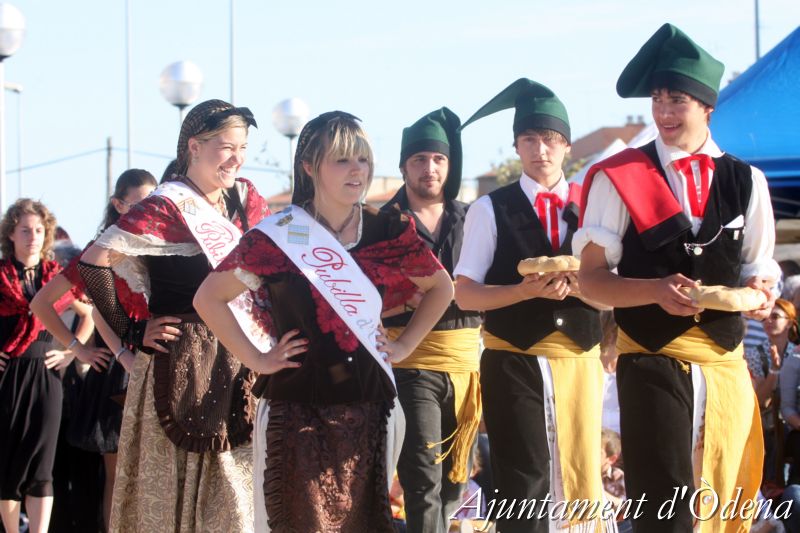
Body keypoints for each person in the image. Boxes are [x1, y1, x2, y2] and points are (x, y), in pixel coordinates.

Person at [194, 111, 454, 532]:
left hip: (370, 405)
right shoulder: (279, 234)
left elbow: (442, 287)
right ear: (310, 167)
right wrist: (257, 358)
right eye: (342, 161)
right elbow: (209, 298)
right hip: (296, 408)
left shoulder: (388, 229)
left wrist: (405, 345)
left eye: (363, 161)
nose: (357, 171)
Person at [575, 23, 779, 532]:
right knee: (663, 512)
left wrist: (760, 296)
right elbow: (592, 281)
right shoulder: (619, 177)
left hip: (725, 370)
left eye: (677, 101)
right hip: (651, 363)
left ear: (708, 107)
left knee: (724, 505)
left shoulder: (747, 182)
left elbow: (758, 272)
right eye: (658, 100)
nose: (663, 113)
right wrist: (652, 292)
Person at [77, 99, 270, 532]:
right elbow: (93, 263)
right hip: (180, 362)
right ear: (194, 147)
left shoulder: (246, 199)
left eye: (242, 147)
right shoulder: (166, 205)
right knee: (170, 499)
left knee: (239, 500)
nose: (237, 158)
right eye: (226, 147)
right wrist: (131, 330)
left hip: (240, 358)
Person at [454, 78, 610, 532]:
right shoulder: (489, 208)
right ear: (517, 146)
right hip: (514, 359)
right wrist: (524, 292)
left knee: (580, 471)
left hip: (580, 358)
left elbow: (612, 287)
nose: (540, 150)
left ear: (566, 146)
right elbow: (466, 292)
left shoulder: (593, 205)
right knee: (525, 478)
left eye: (550, 140)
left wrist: (583, 289)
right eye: (529, 140)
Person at [31, 168, 157, 531]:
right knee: (118, 476)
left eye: (155, 201)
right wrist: (77, 349)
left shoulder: (166, 247)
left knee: (159, 474)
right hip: (118, 364)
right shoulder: (98, 252)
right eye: (140, 202)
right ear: (119, 205)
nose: (150, 210)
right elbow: (43, 303)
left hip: (160, 360)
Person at [381, 107, 482, 533]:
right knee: (423, 477)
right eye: (419, 159)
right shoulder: (381, 224)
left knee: (457, 482)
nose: (430, 168)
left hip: (467, 364)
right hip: (411, 361)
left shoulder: (475, 217)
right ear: (403, 166)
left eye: (438, 159)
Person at [0, 199, 96, 533]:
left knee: (43, 467)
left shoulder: (54, 277)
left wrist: (71, 352)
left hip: (47, 374)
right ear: (11, 233)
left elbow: (89, 316)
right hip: (8, 377)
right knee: (7, 468)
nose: (33, 237)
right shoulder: (0, 276)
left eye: (39, 230)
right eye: (25, 230)